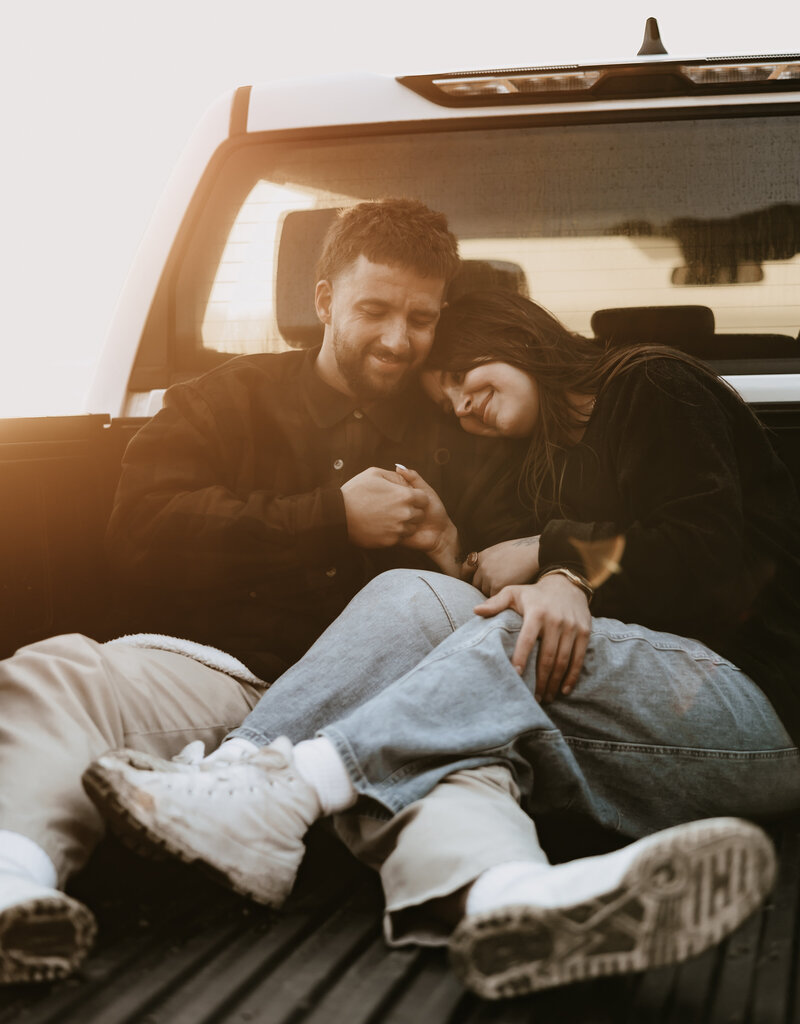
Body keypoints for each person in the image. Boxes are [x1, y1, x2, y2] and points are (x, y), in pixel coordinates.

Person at [86, 290, 800, 1001]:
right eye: (446, 399)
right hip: (633, 708)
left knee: (520, 633)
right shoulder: (535, 456)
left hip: (749, 705)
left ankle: (286, 794)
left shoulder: (652, 385)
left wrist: (562, 566)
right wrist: (449, 546)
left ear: (508, 329)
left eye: (460, 374)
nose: (461, 405)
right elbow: (500, 596)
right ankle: (241, 771)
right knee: (413, 594)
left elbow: (706, 559)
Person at [0, 203, 529, 985]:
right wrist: (328, 518)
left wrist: (452, 545)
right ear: (322, 302)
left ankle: (518, 908)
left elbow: (491, 590)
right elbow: (139, 534)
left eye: (421, 318)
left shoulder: (463, 424)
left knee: (459, 753)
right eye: (373, 310)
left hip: (384, 697)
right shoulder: (222, 399)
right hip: (217, 673)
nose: (397, 338)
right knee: (56, 671)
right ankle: (15, 892)